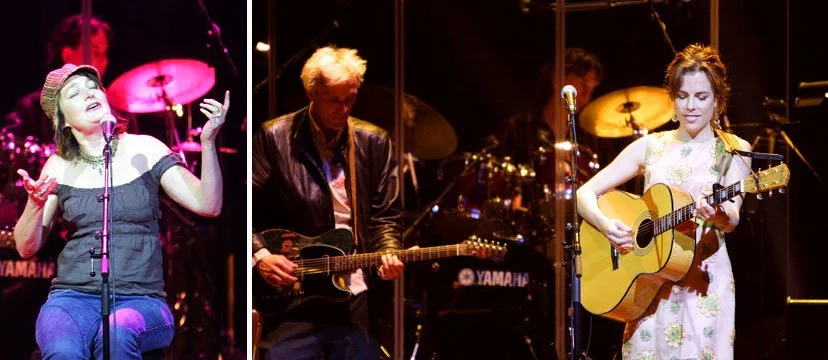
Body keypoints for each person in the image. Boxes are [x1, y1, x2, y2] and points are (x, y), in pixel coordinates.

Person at [13, 63, 229, 359]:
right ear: (62, 121)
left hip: (142, 300)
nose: (89, 94)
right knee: (63, 349)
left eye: (93, 87)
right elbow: (26, 247)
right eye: (75, 93)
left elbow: (208, 204)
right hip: (72, 298)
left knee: (117, 332)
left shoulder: (147, 148)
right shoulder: (58, 165)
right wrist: (35, 205)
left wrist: (208, 143)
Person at [576, 43, 752, 359]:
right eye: (683, 96)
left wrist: (718, 214)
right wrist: (606, 225)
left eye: (702, 97)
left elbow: (733, 218)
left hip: (704, 284)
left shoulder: (734, 149)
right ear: (672, 99)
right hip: (648, 285)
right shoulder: (650, 146)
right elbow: (584, 193)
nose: (691, 106)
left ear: (718, 99)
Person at [252, 45, 405, 359]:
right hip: (295, 291)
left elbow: (385, 215)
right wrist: (261, 255)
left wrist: (388, 251)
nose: (344, 108)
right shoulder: (274, 137)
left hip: (355, 292)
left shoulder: (374, 141)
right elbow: (246, 209)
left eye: (350, 98)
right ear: (312, 93)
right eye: (334, 100)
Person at [6, 14, 113, 142]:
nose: (104, 62)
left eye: (105, 53)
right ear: (67, 54)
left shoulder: (114, 110)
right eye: (95, 52)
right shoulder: (32, 110)